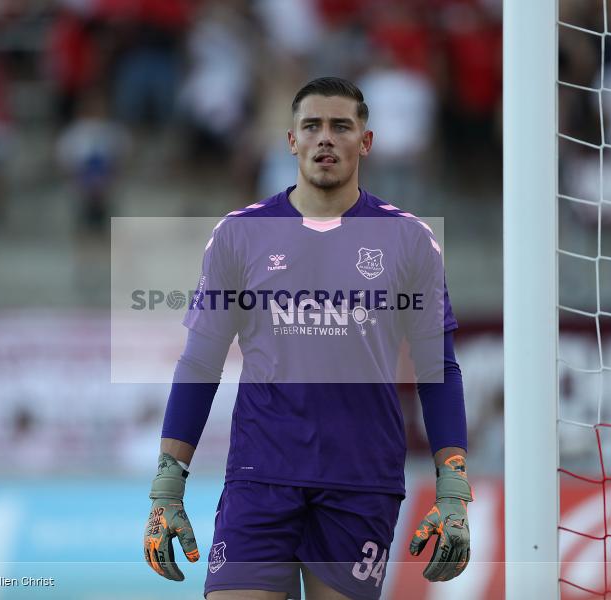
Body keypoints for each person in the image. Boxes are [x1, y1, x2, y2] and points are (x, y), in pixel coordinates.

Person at [143, 77, 471, 599]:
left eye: (341, 126)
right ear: (291, 141)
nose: (326, 138)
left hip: (360, 481)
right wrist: (168, 485)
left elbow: (438, 368)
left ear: (365, 141)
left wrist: (452, 485)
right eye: (311, 126)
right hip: (261, 476)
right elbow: (199, 363)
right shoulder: (240, 234)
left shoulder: (409, 239)